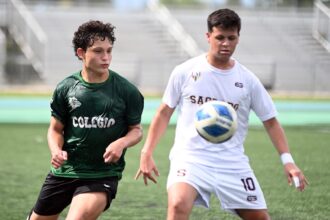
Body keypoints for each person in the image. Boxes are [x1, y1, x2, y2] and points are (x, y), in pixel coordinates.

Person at [135, 8, 308, 220]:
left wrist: (288, 161)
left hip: (231, 162)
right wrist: (146, 152)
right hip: (190, 158)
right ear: (208, 37)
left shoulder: (248, 80)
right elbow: (163, 113)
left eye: (231, 38)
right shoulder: (185, 71)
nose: (225, 43)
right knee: (178, 204)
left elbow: (271, 121)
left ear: (238, 38)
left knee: (259, 218)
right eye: (219, 37)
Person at [27, 20, 144, 220]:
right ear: (81, 53)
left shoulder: (127, 91)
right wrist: (56, 151)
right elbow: (55, 129)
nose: (106, 57)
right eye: (98, 51)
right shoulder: (66, 88)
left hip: (101, 174)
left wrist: (121, 142)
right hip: (65, 171)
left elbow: (136, 130)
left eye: (109, 50)